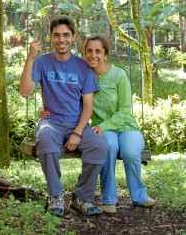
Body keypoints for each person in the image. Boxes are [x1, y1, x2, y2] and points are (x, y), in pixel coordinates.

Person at [42, 35, 156, 214]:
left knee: (130, 153)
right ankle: (108, 199)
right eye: (89, 51)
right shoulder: (81, 73)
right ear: (84, 52)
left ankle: (139, 196)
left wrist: (104, 126)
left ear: (105, 54)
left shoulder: (119, 75)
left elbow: (125, 110)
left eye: (98, 51)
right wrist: (47, 110)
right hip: (99, 127)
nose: (93, 55)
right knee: (107, 148)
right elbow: (68, 100)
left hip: (126, 127)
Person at [20, 16, 107, 217]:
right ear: (50, 37)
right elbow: (25, 91)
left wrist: (77, 132)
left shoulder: (83, 67)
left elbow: (88, 105)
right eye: (57, 35)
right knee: (45, 138)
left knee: (99, 146)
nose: (62, 40)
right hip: (51, 123)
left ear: (73, 37)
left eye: (66, 35)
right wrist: (30, 57)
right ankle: (56, 195)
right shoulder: (41, 62)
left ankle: (82, 197)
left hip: (77, 124)